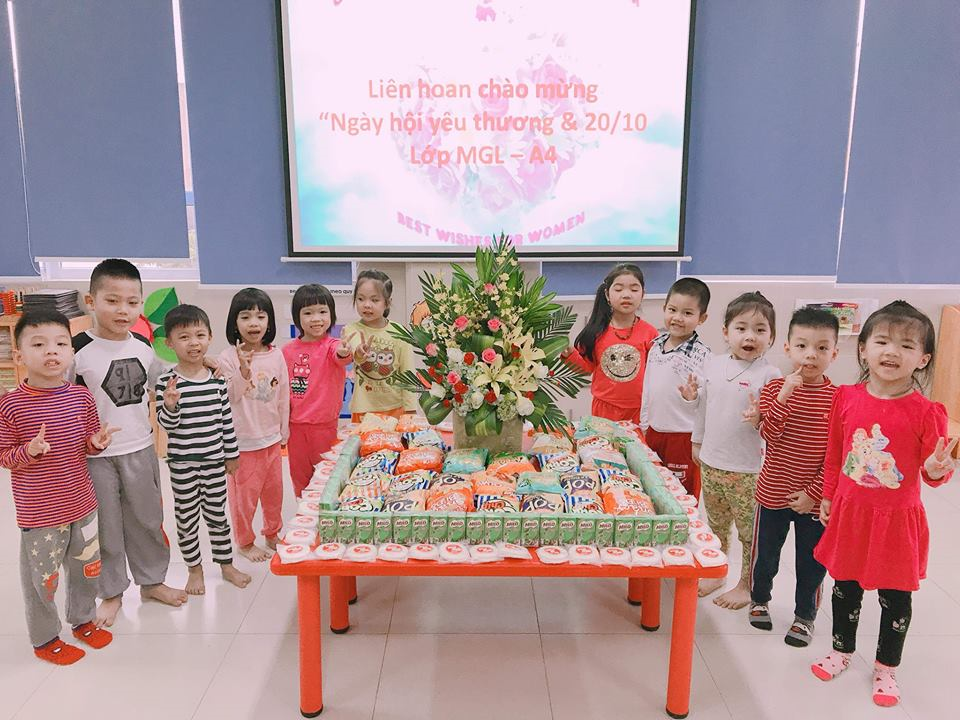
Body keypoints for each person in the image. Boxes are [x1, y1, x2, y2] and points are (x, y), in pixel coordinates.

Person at [811, 301, 956, 707]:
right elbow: (835, 454)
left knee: (896, 597)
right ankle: (841, 650)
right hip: (851, 514)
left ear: (923, 358)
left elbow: (933, 471)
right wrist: (828, 494)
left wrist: (935, 468)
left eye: (907, 345)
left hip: (895, 521)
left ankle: (886, 667)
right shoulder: (846, 398)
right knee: (845, 588)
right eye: (882, 341)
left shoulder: (927, 412)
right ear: (863, 349)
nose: (892, 352)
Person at [72, 258, 186, 627]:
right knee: (105, 526)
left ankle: (152, 582)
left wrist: (203, 364)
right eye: (113, 300)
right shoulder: (76, 350)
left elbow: (162, 381)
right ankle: (112, 591)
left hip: (140, 449)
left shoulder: (142, 345)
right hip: (95, 457)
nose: (123, 310)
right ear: (91, 301)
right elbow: (62, 401)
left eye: (132, 302)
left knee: (148, 519)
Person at [1, 310, 118, 663]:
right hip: (40, 514)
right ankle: (44, 639)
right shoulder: (11, 404)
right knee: (43, 580)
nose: (51, 351)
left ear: (71, 352)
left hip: (82, 504)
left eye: (60, 344)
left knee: (86, 570)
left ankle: (82, 620)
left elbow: (87, 441)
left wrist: (96, 443)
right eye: (39, 345)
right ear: (19, 355)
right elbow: (4, 456)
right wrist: (29, 451)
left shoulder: (81, 397)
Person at [748, 306, 840, 647]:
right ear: (787, 348)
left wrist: (813, 493)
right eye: (802, 346)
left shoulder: (838, 399)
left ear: (834, 353)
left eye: (821, 347)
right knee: (766, 555)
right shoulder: (774, 388)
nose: (810, 355)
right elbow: (770, 434)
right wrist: (785, 395)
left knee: (811, 561)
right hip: (772, 491)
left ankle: (805, 616)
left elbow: (838, 455)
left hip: (814, 500)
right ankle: (759, 599)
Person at [687, 292, 781, 608]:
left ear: (771, 337)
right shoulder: (713, 364)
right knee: (715, 524)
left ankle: (746, 585)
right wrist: (697, 440)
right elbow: (703, 407)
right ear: (726, 332)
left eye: (760, 329)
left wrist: (760, 419)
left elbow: (776, 425)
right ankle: (717, 572)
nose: (749, 336)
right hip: (712, 461)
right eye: (741, 328)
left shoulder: (770, 375)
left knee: (749, 533)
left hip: (748, 469)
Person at [156, 304, 251, 595]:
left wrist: (232, 454)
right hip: (182, 464)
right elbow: (166, 425)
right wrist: (170, 405)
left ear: (210, 337)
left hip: (214, 462)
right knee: (186, 519)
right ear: (169, 343)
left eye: (199, 335)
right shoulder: (166, 382)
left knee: (217, 516)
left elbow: (226, 421)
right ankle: (194, 570)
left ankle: (226, 565)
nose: (193, 343)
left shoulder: (217, 379)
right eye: (183, 337)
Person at [218, 288, 289, 561]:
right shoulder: (227, 357)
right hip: (242, 444)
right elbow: (230, 396)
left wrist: (284, 429)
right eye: (245, 317)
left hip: (271, 439)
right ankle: (245, 542)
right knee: (244, 498)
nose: (254, 323)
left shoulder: (276, 355)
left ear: (269, 322)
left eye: (261, 316)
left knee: (274, 494)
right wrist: (243, 371)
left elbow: (283, 394)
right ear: (234, 322)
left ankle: (272, 533)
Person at [640, 277, 711, 497]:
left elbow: (707, 401)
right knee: (653, 488)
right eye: (672, 310)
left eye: (687, 313)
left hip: (683, 436)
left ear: (702, 318)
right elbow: (648, 388)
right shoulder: (655, 347)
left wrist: (692, 398)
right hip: (654, 432)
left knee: (682, 494)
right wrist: (644, 424)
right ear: (664, 308)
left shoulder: (703, 355)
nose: (678, 318)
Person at [282, 284, 352, 497]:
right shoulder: (287, 351)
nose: (316, 319)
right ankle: (303, 514)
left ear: (331, 315)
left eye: (322, 312)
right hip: (295, 428)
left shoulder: (333, 345)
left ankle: (324, 515)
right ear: (297, 316)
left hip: (325, 427)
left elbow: (341, 356)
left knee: (326, 478)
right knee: (300, 479)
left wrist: (344, 352)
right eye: (308, 313)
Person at [565, 264, 658, 423]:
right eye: (619, 289)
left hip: (640, 409)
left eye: (634, 289)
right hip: (604, 408)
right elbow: (585, 369)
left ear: (643, 294)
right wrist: (568, 354)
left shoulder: (650, 333)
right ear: (607, 294)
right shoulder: (595, 331)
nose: (626, 295)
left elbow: (656, 374)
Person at [344, 269, 416, 422]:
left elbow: (408, 372)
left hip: (396, 408)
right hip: (363, 409)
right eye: (360, 299)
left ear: (387, 302)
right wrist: (360, 352)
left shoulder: (400, 332)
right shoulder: (351, 329)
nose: (366, 305)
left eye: (374, 300)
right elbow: (356, 349)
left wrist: (411, 409)